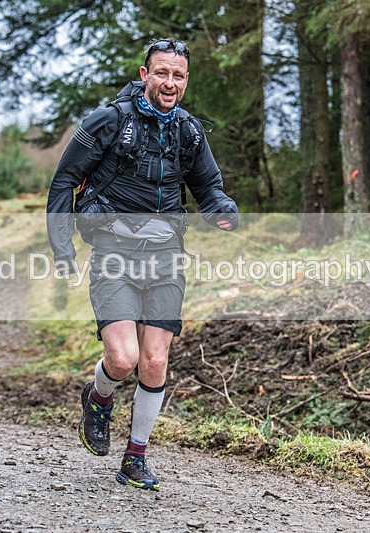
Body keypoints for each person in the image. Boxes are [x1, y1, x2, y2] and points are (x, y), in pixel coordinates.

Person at [46, 38, 238, 491]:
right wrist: (62, 247)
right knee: (124, 357)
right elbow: (65, 179)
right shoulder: (109, 121)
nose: (170, 83)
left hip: (167, 255)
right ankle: (98, 396)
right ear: (145, 73)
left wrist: (221, 208)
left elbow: (208, 185)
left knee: (154, 361)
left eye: (179, 75)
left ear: (186, 80)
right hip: (114, 251)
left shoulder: (189, 131)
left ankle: (135, 457)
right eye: (162, 73)